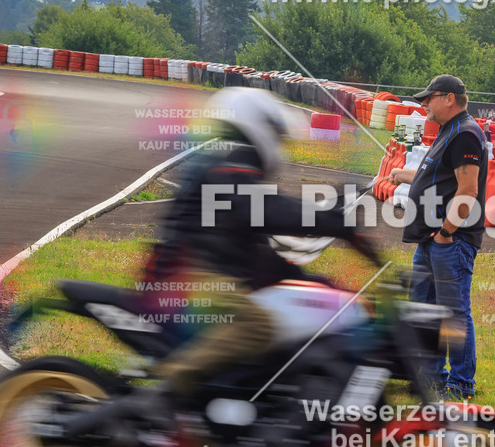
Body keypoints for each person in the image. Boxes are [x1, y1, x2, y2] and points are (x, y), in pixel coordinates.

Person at [142, 87, 377, 398]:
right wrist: (335, 222)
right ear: (258, 125)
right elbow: (269, 208)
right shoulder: (226, 167)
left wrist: (324, 288)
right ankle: (166, 393)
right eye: (276, 134)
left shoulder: (230, 167)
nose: (278, 144)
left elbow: (261, 256)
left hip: (209, 273)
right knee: (258, 326)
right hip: (187, 276)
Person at [389, 75, 487, 400]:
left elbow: (468, 189)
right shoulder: (450, 131)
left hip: (450, 241)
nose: (423, 104)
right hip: (430, 239)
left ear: (449, 98)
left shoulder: (465, 134)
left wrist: (446, 232)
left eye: (428, 98)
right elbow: (439, 178)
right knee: (423, 309)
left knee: (454, 312)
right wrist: (405, 177)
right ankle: (431, 377)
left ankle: (460, 384)